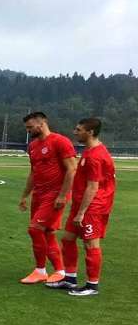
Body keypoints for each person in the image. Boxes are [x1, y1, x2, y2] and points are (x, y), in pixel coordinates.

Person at [47, 118, 116, 297]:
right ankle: (70, 278)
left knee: (90, 244)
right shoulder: (89, 150)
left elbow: (93, 187)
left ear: (90, 132)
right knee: (68, 239)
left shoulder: (96, 156)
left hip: (93, 207)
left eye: (79, 130)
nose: (75, 132)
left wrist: (81, 213)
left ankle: (92, 285)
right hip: (80, 205)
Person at [18, 112, 76, 284]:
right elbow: (33, 173)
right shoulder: (33, 146)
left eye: (30, 127)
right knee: (48, 232)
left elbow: (72, 170)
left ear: (42, 123)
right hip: (39, 194)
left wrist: (63, 195)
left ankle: (40, 270)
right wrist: (25, 195)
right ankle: (59, 270)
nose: (28, 131)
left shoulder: (60, 141)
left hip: (55, 194)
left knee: (35, 229)